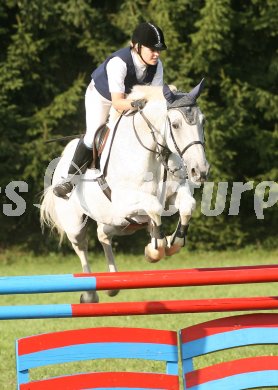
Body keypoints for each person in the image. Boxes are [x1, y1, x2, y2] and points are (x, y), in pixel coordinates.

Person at [53, 22, 167, 199]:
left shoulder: (157, 65)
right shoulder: (118, 63)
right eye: (152, 49)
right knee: (92, 134)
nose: (156, 54)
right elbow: (118, 103)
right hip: (102, 97)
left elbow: (155, 98)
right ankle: (69, 180)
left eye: (158, 50)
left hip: (131, 101)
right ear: (136, 46)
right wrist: (137, 104)